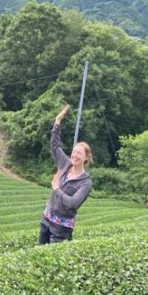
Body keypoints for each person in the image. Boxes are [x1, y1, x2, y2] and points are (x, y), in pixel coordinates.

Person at [39, 104, 93, 244]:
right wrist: (57, 122)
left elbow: (73, 204)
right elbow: (55, 145)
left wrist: (56, 188)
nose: (75, 155)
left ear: (86, 157)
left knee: (53, 254)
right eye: (74, 152)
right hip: (47, 218)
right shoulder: (65, 163)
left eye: (79, 153)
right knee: (39, 250)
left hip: (61, 227)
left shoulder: (85, 182)